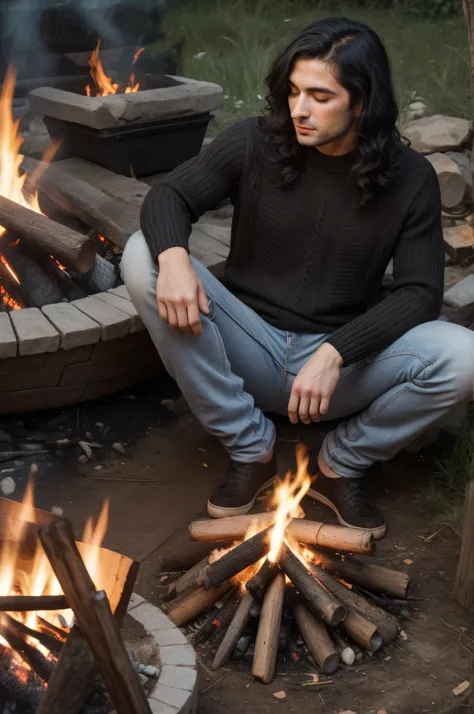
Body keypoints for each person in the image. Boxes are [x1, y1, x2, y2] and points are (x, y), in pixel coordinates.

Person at [121, 17, 474, 539]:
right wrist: (174, 258)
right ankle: (251, 447)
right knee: (142, 254)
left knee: (465, 356)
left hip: (340, 372)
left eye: (319, 96)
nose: (299, 109)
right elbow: (169, 195)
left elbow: (421, 294)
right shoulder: (254, 143)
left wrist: (337, 351)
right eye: (292, 92)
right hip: (249, 345)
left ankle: (340, 463)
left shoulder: (410, 177)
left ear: (361, 102)